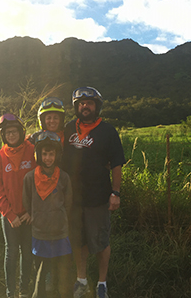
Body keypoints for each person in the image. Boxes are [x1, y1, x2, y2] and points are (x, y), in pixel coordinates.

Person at [62, 87, 125, 298]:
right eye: (81, 103)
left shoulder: (108, 131)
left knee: (100, 242)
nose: (85, 106)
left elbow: (116, 164)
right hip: (73, 198)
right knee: (78, 240)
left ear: (97, 106)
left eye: (89, 103)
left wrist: (116, 192)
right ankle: (81, 281)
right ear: (76, 107)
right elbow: (51, 147)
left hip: (98, 197)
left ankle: (102, 284)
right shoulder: (69, 128)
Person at [23, 131, 74, 298]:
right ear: (38, 155)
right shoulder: (30, 178)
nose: (48, 158)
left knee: (62, 266)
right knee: (42, 269)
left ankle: (62, 293)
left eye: (51, 154)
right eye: (44, 154)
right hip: (40, 231)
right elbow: (26, 200)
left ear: (57, 155)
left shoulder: (64, 177)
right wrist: (32, 215)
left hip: (60, 230)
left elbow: (68, 203)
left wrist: (60, 218)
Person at [0, 113, 37, 298]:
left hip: (28, 215)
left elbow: (40, 182)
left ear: (21, 131)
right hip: (10, 216)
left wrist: (32, 211)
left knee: (27, 253)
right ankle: (10, 292)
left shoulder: (32, 151)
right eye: (7, 132)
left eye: (14, 131)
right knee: (11, 253)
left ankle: (24, 290)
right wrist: (9, 215)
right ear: (3, 136)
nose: (11, 135)